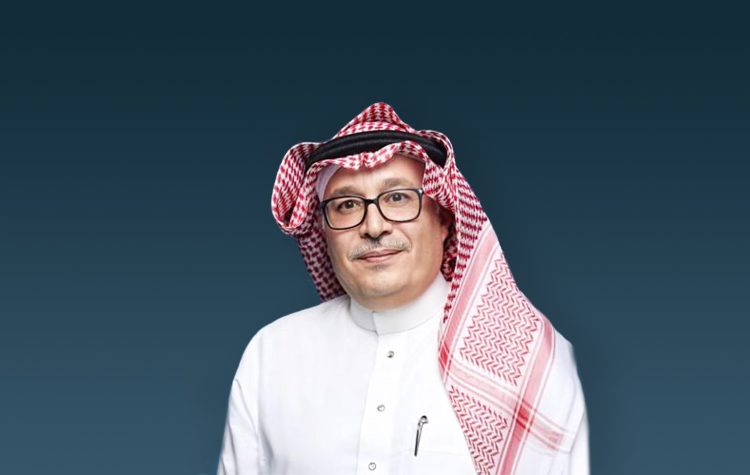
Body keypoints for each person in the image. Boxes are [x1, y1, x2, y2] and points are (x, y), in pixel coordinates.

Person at [217, 103, 589, 474]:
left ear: (444, 218)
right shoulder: (273, 354)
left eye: (397, 198)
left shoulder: (534, 360)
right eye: (347, 205)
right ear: (324, 230)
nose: (374, 226)